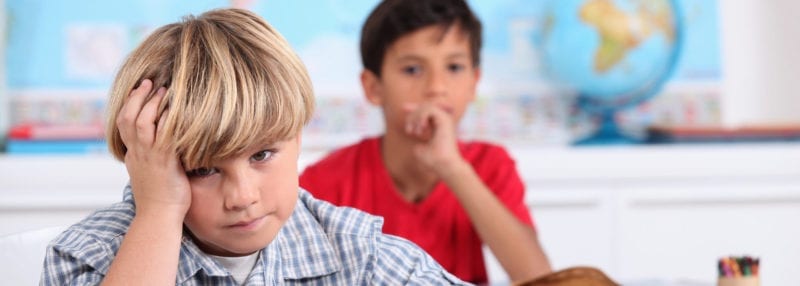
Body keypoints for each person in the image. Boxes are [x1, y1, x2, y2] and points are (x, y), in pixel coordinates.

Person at [40, 8, 467, 285]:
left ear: (298, 134)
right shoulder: (89, 257)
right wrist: (160, 211)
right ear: (148, 165)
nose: (243, 197)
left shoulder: (361, 255)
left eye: (262, 155)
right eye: (203, 170)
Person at [299, 0, 552, 284]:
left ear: (474, 83)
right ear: (373, 87)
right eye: (412, 70)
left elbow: (538, 277)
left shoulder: (490, 165)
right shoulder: (325, 182)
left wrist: (453, 168)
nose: (436, 88)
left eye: (454, 67)